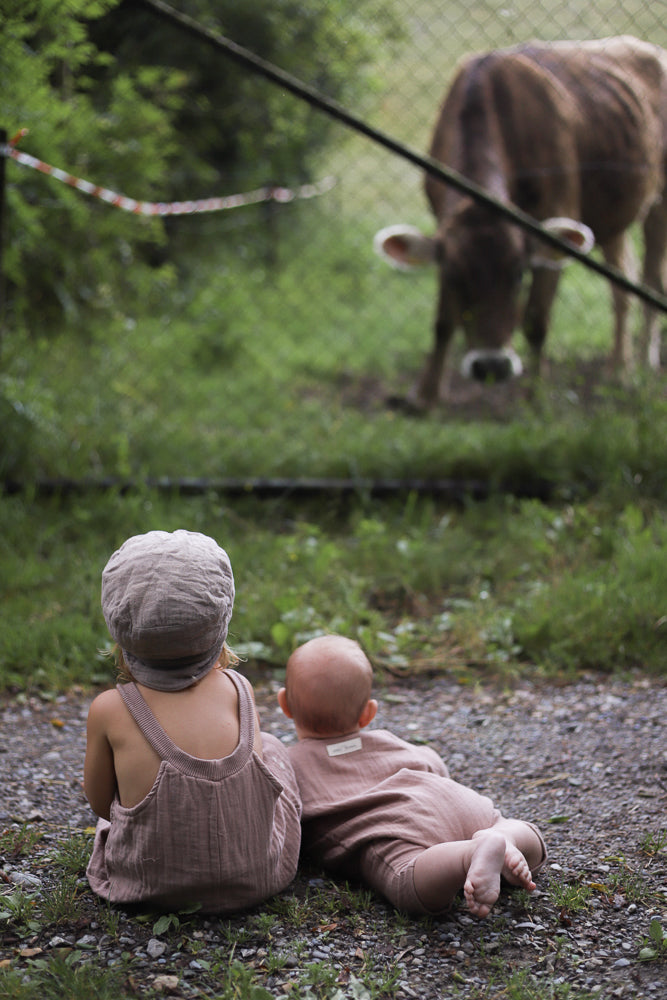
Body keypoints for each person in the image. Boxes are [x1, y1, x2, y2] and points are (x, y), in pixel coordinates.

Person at [84, 529, 301, 913]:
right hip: (256, 876)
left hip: (150, 887)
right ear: (219, 619)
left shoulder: (110, 709)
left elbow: (102, 803)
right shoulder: (240, 688)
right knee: (275, 750)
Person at [278, 635, 546, 918]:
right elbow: (434, 763)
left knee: (406, 879)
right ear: (368, 713)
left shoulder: (289, 762)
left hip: (399, 828)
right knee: (511, 826)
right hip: (457, 802)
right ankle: (503, 836)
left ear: (285, 705)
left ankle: (469, 855)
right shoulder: (388, 740)